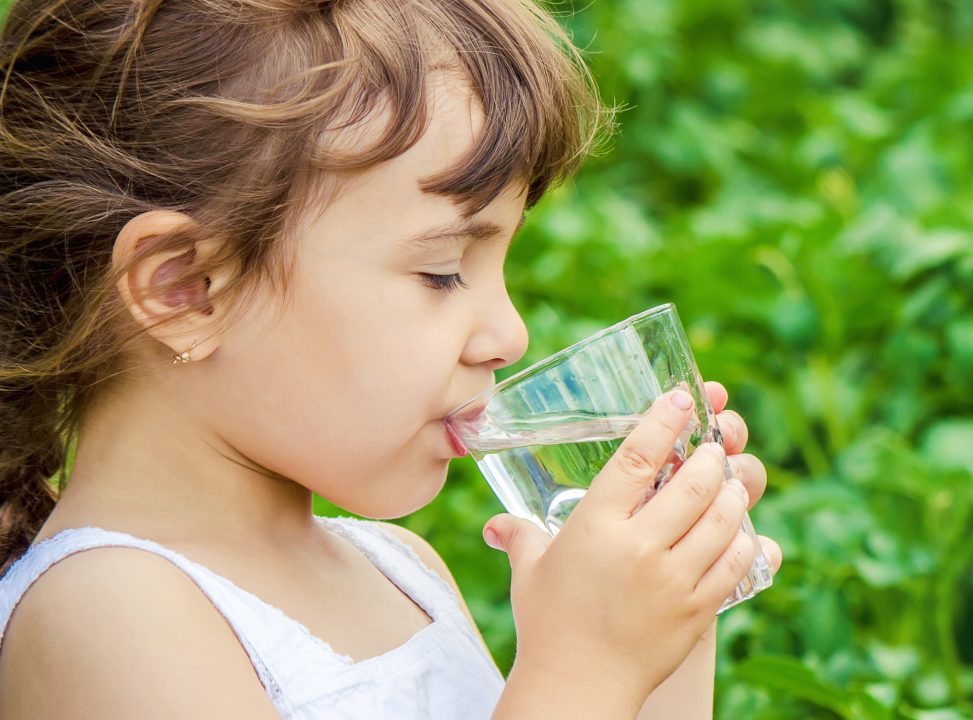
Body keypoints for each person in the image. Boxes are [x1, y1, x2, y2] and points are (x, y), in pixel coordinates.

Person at [0, 0, 781, 717]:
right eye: (441, 270)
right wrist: (586, 669)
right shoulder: (108, 611)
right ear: (185, 289)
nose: (508, 334)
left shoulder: (399, 570)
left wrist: (669, 615)